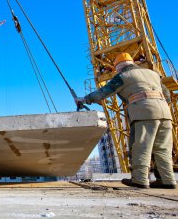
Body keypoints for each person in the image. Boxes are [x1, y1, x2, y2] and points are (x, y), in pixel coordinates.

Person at [75, 53, 176, 189]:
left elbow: (105, 91)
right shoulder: (153, 74)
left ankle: (140, 180)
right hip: (165, 113)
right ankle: (167, 180)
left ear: (118, 68)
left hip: (143, 113)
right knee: (163, 148)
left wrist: (85, 99)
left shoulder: (123, 76)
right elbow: (167, 95)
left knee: (141, 146)